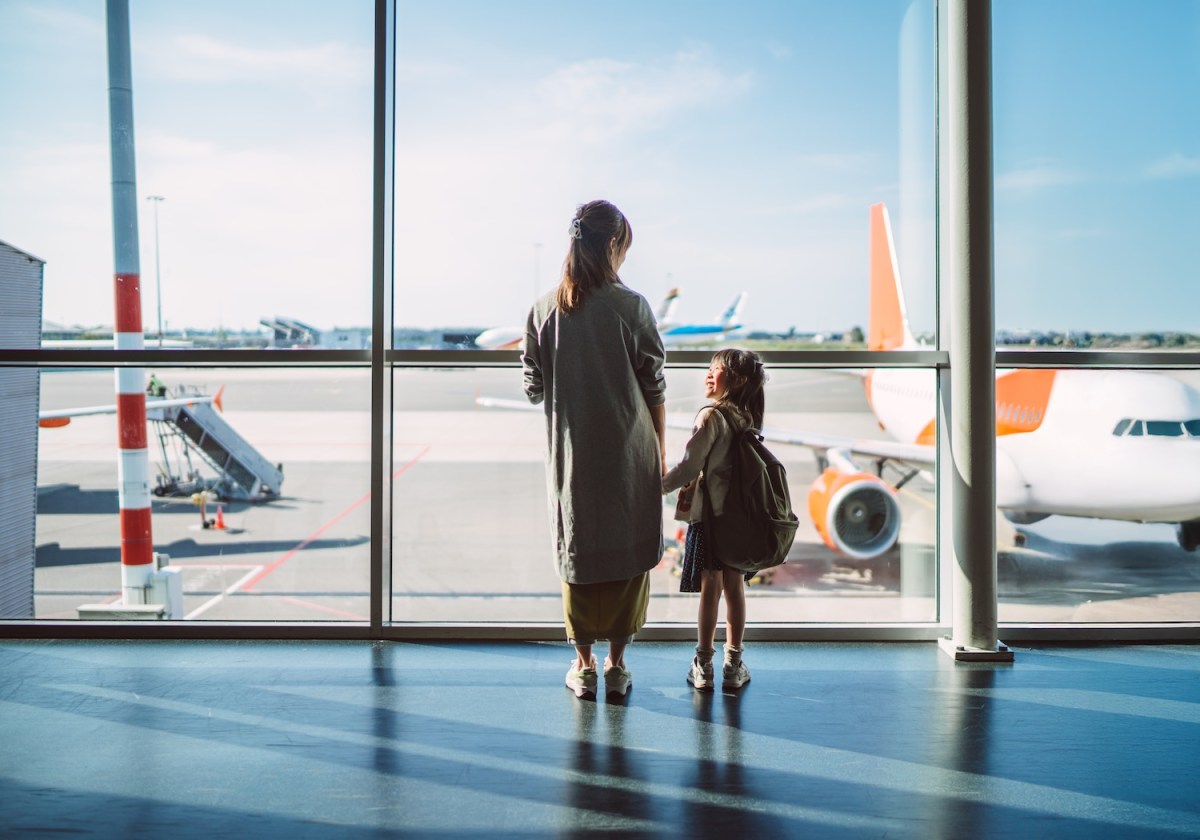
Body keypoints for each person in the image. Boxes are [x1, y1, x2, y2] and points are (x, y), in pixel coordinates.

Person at [523, 200, 668, 700]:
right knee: (628, 558)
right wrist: (659, 451)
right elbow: (654, 388)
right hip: (629, 451)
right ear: (612, 246)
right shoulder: (632, 307)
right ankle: (617, 664)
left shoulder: (544, 309)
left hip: (573, 455)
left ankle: (582, 664)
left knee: (578, 554)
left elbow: (534, 386)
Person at [662, 348, 767, 692]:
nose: (708, 374)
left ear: (736, 380)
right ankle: (732, 665)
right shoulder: (746, 419)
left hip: (710, 520)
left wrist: (656, 486)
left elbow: (690, 466)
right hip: (738, 521)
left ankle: (703, 664)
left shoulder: (711, 417)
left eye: (716, 369)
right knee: (735, 591)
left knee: (710, 591)